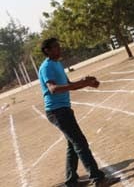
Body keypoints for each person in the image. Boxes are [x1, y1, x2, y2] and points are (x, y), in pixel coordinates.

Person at [38, 38, 117, 187]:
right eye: (55, 47)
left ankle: (71, 181)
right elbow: (53, 89)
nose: (59, 49)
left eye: (59, 46)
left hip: (64, 110)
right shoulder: (47, 67)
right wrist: (83, 82)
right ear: (47, 50)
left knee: (72, 145)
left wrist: (85, 82)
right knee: (80, 143)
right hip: (57, 112)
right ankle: (98, 179)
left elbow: (70, 85)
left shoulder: (57, 64)